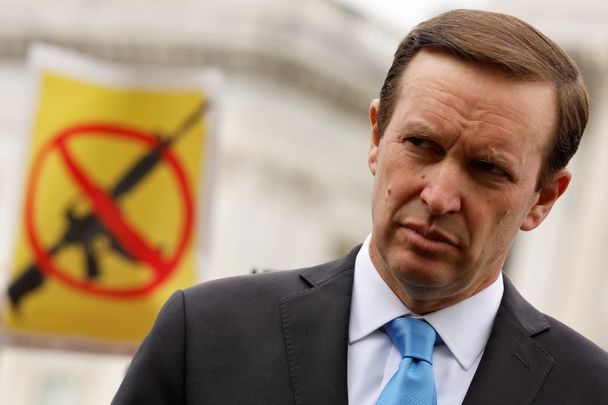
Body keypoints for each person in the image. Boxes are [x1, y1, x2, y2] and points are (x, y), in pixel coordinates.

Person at [112, 9, 608, 405]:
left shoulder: (590, 390)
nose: (438, 196)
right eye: (421, 144)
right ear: (376, 136)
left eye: (487, 169)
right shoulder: (205, 334)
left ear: (543, 199)